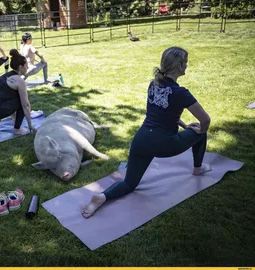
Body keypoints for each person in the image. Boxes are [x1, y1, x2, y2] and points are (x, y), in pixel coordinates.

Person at [82, 46, 212, 219]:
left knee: (129, 183)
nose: (187, 65)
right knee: (201, 133)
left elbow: (159, 113)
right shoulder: (181, 93)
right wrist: (198, 131)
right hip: (164, 144)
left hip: (141, 140)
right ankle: (198, 168)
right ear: (180, 65)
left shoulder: (154, 84)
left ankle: (102, 197)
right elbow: (206, 121)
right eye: (186, 62)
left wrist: (184, 126)